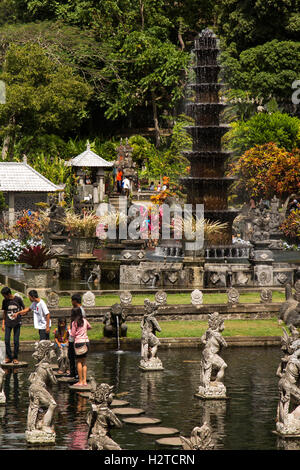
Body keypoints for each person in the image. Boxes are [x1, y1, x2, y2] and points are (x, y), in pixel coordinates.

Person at [1, 287, 26, 364]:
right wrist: (3, 323)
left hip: (17, 323)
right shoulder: (5, 301)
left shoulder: (18, 299)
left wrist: (21, 314)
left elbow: (24, 309)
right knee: (6, 340)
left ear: (8, 294)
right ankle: (9, 357)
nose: (4, 297)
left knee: (16, 340)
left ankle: (15, 357)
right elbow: (5, 312)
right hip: (8, 323)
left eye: (4, 295)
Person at [70, 307, 91, 387]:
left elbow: (72, 334)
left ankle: (80, 381)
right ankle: (85, 381)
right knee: (84, 362)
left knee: (78, 362)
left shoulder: (74, 323)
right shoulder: (85, 321)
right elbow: (90, 327)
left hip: (79, 342)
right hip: (86, 342)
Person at [68, 294, 86, 379]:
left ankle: (76, 374)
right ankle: (73, 372)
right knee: (72, 355)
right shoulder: (78, 310)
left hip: (76, 337)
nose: (71, 302)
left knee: (74, 356)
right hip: (75, 336)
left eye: (72, 300)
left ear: (75, 301)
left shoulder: (80, 311)